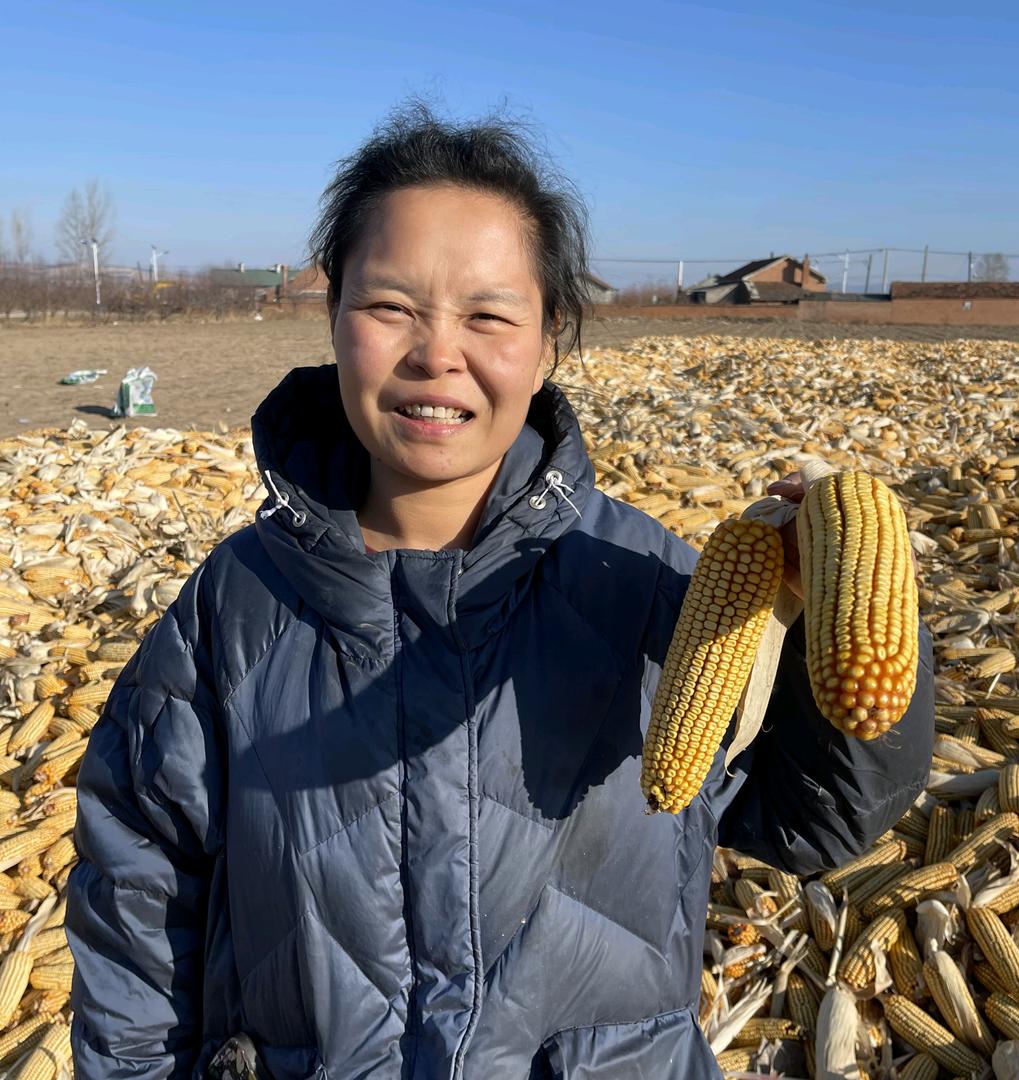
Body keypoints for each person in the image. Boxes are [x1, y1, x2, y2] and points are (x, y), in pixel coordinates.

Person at [66, 104, 935, 1079]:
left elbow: (816, 821)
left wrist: (849, 618)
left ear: (550, 337)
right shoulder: (233, 611)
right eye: (390, 306)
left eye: (487, 315)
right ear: (334, 316)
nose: (437, 352)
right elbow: (139, 900)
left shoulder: (647, 589)